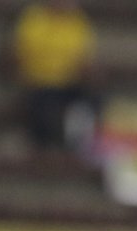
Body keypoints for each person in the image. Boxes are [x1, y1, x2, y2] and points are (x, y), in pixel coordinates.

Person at [13, 0, 97, 149]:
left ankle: (78, 145)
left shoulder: (77, 20)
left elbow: (84, 54)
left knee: (93, 102)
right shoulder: (34, 18)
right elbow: (24, 53)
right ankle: (42, 149)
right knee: (43, 109)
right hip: (40, 82)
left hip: (69, 82)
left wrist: (84, 70)